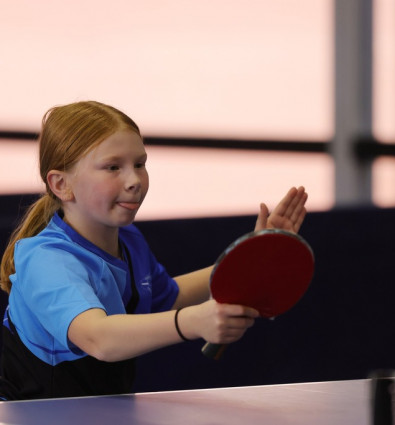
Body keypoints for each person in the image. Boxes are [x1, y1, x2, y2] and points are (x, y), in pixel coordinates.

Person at [0, 101, 308, 400]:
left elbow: (168, 297)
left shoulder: (129, 240)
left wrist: (252, 259)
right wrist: (192, 322)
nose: (134, 180)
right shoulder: (47, 259)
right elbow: (99, 338)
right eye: (113, 167)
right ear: (61, 185)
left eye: (140, 164)